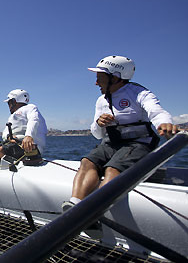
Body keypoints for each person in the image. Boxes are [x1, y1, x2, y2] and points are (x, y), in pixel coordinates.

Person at [62, 55, 178, 237]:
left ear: (115, 77)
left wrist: (165, 123)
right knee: (87, 162)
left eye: (99, 77)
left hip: (138, 144)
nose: (96, 83)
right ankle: (74, 206)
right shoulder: (101, 101)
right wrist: (99, 123)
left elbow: (156, 112)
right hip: (110, 143)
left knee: (112, 169)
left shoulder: (140, 93)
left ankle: (92, 214)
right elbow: (96, 134)